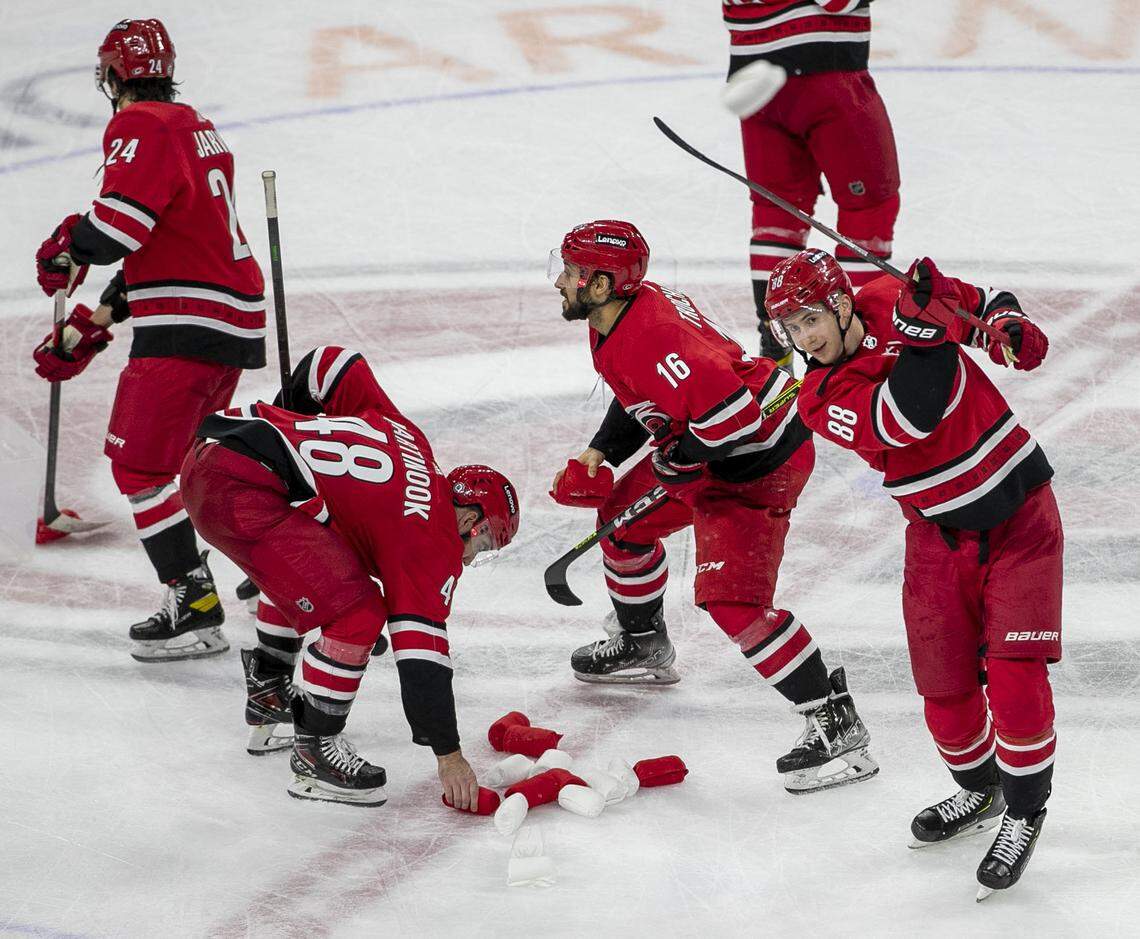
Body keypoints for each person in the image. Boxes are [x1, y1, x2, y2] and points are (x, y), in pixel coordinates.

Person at [764, 248, 1057, 896]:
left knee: (1014, 680)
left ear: (842, 302)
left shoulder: (882, 295)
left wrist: (1001, 324)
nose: (805, 337)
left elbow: (976, 301)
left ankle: (1024, 807)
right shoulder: (818, 397)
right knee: (946, 694)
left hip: (1021, 521)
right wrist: (930, 330)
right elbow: (908, 414)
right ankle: (981, 792)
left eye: (811, 317)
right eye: (792, 328)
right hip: (936, 534)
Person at [547, 220, 876, 793]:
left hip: (758, 463)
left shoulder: (653, 335)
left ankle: (833, 720)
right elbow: (642, 395)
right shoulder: (618, 315)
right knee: (621, 527)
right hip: (712, 446)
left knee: (733, 603)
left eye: (572, 272)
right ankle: (643, 643)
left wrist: (685, 457)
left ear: (601, 285)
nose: (561, 281)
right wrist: (602, 451)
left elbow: (734, 415)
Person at [181, 345, 520, 807]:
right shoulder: (433, 543)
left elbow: (331, 364)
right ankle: (314, 752)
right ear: (470, 520)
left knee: (316, 564)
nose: (467, 559)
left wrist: (290, 418)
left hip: (214, 450)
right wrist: (449, 754)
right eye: (481, 546)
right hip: (239, 487)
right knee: (359, 616)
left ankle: (271, 697)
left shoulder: (412, 439)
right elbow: (424, 663)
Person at [31, 18, 266, 662]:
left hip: (189, 325)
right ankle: (273, 567)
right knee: (192, 462)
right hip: (229, 318)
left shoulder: (138, 126)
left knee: (141, 467)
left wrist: (69, 247)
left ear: (111, 75)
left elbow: (120, 229)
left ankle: (192, 606)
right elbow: (167, 245)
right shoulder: (196, 126)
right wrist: (93, 326)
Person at [723, 0, 900, 363]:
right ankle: (856, 347)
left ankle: (777, 346)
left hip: (754, 80)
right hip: (825, 72)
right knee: (869, 207)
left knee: (776, 213)